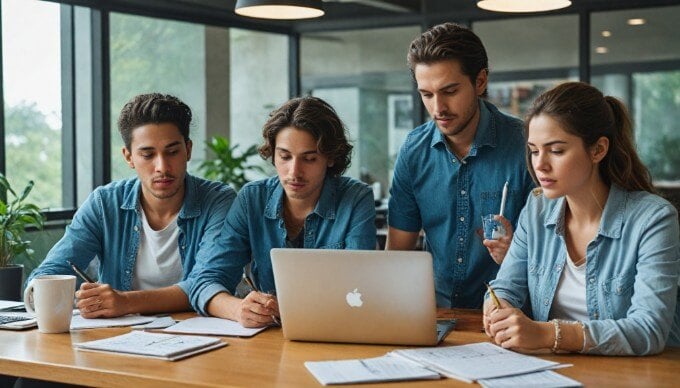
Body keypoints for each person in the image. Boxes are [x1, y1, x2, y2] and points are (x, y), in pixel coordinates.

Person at [484, 82, 680, 356]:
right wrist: (497, 309)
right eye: (534, 150)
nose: (540, 165)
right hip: (554, 371)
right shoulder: (537, 208)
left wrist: (547, 334)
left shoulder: (654, 220)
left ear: (598, 149)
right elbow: (505, 287)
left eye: (556, 150)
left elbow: (648, 329)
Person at [28, 93, 236, 318]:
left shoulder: (218, 201)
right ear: (128, 157)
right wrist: (44, 295)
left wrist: (125, 301)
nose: (162, 167)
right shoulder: (104, 204)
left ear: (188, 149)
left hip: (202, 337)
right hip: (121, 338)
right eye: (147, 155)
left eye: (172, 152)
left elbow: (206, 284)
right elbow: (51, 271)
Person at [188, 96, 376, 327]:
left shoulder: (356, 198)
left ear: (330, 158)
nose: (294, 172)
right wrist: (238, 309)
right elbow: (205, 281)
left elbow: (361, 288)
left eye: (309, 159)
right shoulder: (252, 199)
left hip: (335, 330)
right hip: (269, 337)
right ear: (273, 153)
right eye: (285, 157)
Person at [387, 23, 534, 308]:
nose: (438, 108)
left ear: (480, 82)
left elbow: (556, 253)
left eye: (450, 91)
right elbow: (397, 254)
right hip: (434, 314)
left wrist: (517, 251)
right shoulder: (413, 151)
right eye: (426, 94)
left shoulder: (526, 146)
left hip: (511, 315)